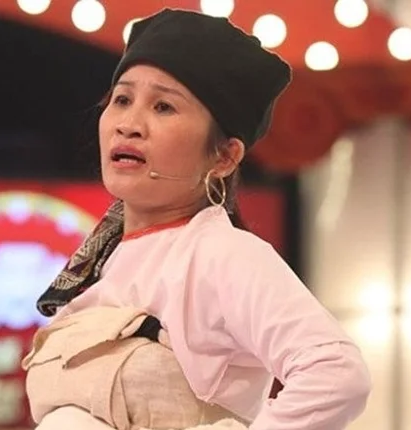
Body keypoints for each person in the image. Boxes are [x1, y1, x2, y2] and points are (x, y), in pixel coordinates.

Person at [22, 8, 371, 430]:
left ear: (224, 157)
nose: (129, 125)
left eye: (164, 106)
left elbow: (336, 374)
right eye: (122, 99)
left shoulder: (221, 254)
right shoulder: (101, 261)